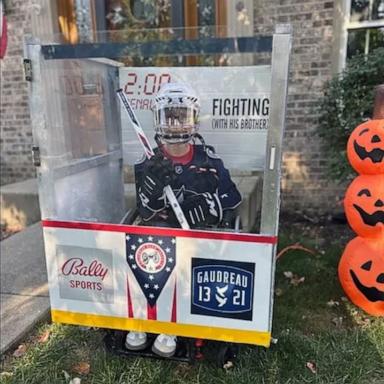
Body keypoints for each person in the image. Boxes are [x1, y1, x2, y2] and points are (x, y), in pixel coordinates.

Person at [125, 82, 242, 357]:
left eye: (182, 115)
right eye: (169, 116)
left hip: (198, 237)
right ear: (158, 119)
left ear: (194, 118)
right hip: (160, 239)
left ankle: (172, 326)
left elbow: (231, 201)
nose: (176, 124)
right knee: (146, 249)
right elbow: (145, 211)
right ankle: (142, 318)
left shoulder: (210, 160)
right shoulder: (147, 163)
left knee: (189, 261)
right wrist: (152, 188)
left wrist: (209, 208)